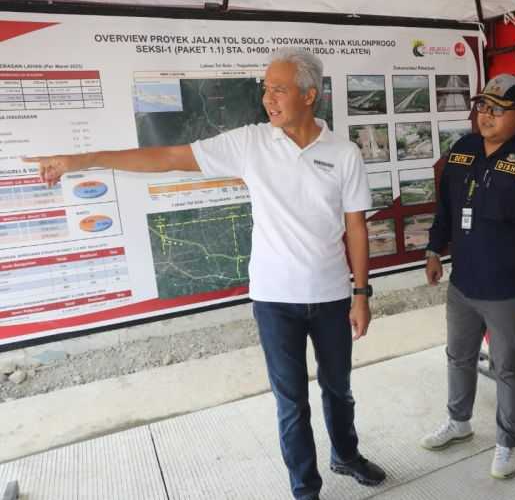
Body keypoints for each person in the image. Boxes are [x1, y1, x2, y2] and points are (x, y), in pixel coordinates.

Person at [25, 47, 386, 500]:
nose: (268, 99)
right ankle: (305, 489)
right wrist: (82, 160)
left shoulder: (344, 152)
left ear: (309, 95)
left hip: (333, 295)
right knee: (291, 402)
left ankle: (346, 456)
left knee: (339, 389)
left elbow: (355, 226)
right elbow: (169, 156)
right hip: (275, 300)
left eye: (279, 89)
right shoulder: (251, 143)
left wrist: (361, 293)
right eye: (264, 89)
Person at [420, 73, 515, 479]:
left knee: (508, 366)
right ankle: (459, 422)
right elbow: (447, 208)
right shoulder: (463, 150)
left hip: (509, 291)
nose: (485, 116)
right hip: (463, 284)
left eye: (497, 109)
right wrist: (435, 249)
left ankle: (508, 441)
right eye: (482, 107)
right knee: (458, 356)